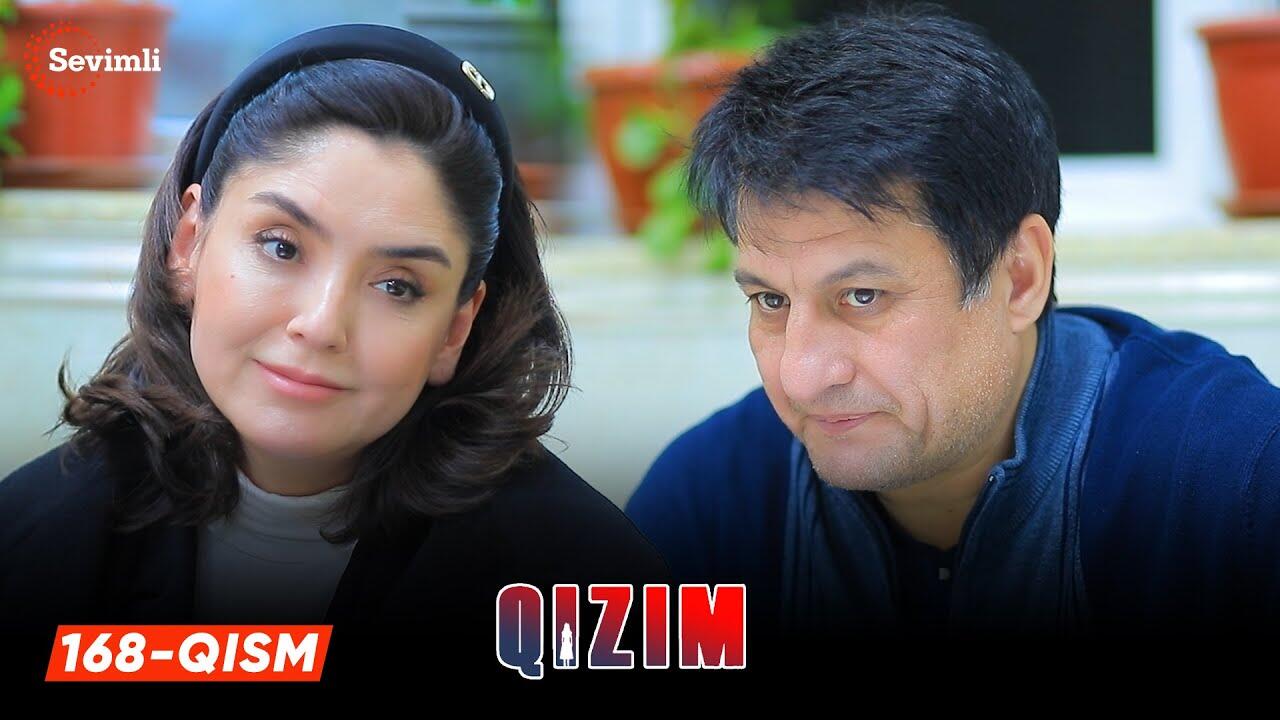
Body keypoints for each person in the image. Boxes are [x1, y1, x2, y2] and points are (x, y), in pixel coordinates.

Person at [0, 24, 667, 686]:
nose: (322, 326)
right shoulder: (29, 539)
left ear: (454, 330)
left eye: (397, 286)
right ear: (189, 244)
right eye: (281, 247)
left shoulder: (589, 592)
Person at [625, 7, 1280, 660]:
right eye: (771, 301)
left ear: (1019, 277)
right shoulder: (706, 504)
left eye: (862, 296)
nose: (801, 376)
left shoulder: (1235, 481)